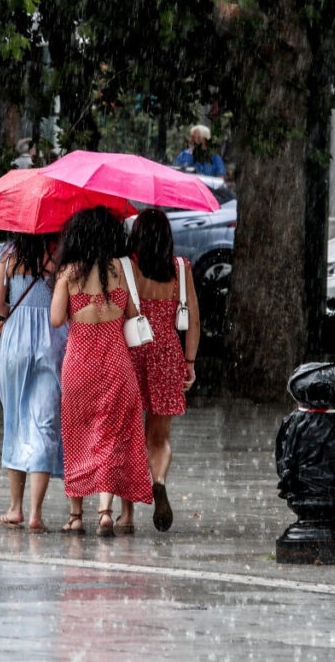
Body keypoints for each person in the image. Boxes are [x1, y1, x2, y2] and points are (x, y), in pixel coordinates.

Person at [50, 207, 154, 536]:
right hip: (115, 362)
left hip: (79, 362)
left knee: (78, 433)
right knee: (109, 434)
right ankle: (105, 511)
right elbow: (133, 312)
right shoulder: (122, 271)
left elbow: (55, 319)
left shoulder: (69, 272)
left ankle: (76, 514)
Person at [0, 233, 69, 533]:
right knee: (45, 424)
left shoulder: (6, 255)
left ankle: (15, 508)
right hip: (53, 341)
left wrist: (17, 314)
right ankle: (36, 512)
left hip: (15, 343)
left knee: (15, 421)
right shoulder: (58, 256)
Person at [127, 209, 201, 531]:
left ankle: (123, 510)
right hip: (167, 354)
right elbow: (194, 320)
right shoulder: (180, 269)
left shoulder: (128, 267)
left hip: (133, 353)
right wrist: (190, 362)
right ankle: (158, 480)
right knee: (159, 437)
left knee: (128, 433)